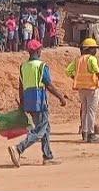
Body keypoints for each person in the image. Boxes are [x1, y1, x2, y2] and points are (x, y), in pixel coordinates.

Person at [8, 39, 66, 167]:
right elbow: (49, 85)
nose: (41, 51)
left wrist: (22, 103)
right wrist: (61, 97)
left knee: (46, 128)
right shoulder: (41, 66)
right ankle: (18, 148)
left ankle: (47, 156)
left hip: (29, 101)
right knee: (40, 130)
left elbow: (20, 87)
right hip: (40, 101)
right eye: (40, 49)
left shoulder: (23, 66)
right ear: (37, 51)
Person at [66, 38, 99, 143]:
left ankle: (84, 133)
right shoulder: (92, 59)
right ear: (89, 49)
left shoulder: (78, 59)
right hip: (92, 87)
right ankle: (91, 134)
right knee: (91, 111)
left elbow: (68, 71)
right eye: (94, 48)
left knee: (84, 111)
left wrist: (75, 78)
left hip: (81, 88)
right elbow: (96, 70)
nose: (95, 51)